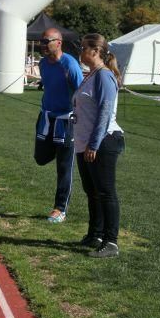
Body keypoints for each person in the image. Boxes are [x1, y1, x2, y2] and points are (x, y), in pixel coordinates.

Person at [74, 34, 125, 258]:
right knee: (92, 191)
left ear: (95, 51)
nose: (81, 51)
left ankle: (111, 242)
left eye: (84, 48)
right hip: (85, 143)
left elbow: (104, 113)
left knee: (105, 192)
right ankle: (95, 233)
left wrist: (93, 145)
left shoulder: (104, 76)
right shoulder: (91, 75)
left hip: (103, 142)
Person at [35, 28, 84, 224]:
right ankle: (60, 149)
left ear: (59, 42)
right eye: (42, 41)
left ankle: (60, 208)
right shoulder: (42, 64)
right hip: (47, 117)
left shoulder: (70, 64)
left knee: (64, 168)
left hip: (66, 120)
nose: (43, 45)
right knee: (40, 157)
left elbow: (81, 92)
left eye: (47, 41)